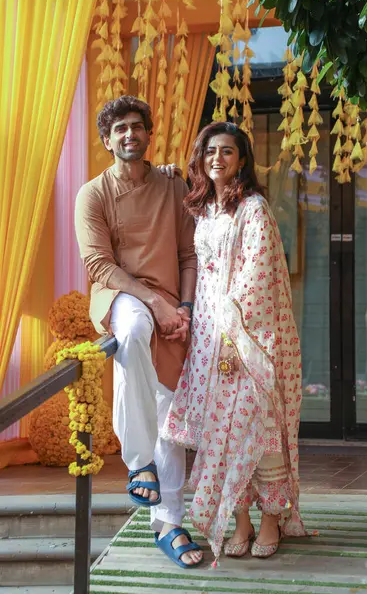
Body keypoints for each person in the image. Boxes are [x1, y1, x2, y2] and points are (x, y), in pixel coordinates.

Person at [161, 121, 306, 563]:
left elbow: (256, 276)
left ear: (242, 160)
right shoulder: (205, 208)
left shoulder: (254, 207)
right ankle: (239, 519)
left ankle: (270, 520)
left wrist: (232, 337)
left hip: (246, 336)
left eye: (226, 151)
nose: (217, 159)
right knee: (220, 430)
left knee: (255, 426)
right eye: (210, 151)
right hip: (208, 333)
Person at [74, 95, 203, 568]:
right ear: (107, 140)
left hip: (174, 301)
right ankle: (138, 462)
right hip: (126, 295)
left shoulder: (172, 186)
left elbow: (189, 254)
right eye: (119, 129)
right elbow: (97, 264)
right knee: (129, 336)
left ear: (149, 134)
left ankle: (168, 522)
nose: (129, 134)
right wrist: (156, 302)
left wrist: (184, 308)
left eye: (137, 126)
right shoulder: (93, 193)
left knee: (168, 403)